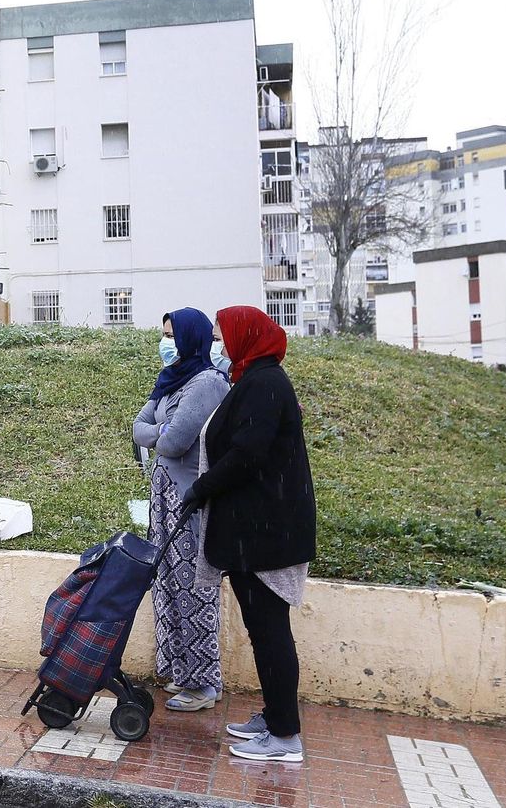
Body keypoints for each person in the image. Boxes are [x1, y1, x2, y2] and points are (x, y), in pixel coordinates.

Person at [181, 305, 316, 763]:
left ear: (244, 336)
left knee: (270, 631)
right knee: (264, 632)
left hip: (266, 536)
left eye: (223, 335)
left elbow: (247, 454)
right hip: (256, 532)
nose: (219, 343)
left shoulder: (264, 384)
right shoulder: (254, 380)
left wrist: (201, 487)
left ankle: (284, 736)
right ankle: (276, 715)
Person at [132, 308, 231, 712]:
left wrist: (159, 434)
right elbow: (138, 427)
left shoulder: (207, 383)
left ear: (193, 338)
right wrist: (162, 433)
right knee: (168, 584)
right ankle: (180, 671)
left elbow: (173, 444)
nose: (166, 342)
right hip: (164, 501)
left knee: (195, 588)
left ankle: (205, 683)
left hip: (191, 503)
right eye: (163, 334)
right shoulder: (170, 382)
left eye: (172, 335)